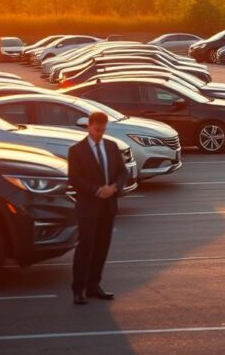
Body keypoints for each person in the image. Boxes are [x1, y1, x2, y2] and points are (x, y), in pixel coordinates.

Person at [68, 111, 128, 305]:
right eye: (96, 130)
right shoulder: (77, 150)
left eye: (102, 130)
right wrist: (96, 190)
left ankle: (94, 285)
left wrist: (114, 188)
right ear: (88, 126)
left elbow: (122, 172)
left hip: (107, 206)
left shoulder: (111, 147)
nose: (99, 134)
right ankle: (78, 288)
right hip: (88, 207)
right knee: (86, 247)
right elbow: (75, 179)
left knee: (102, 247)